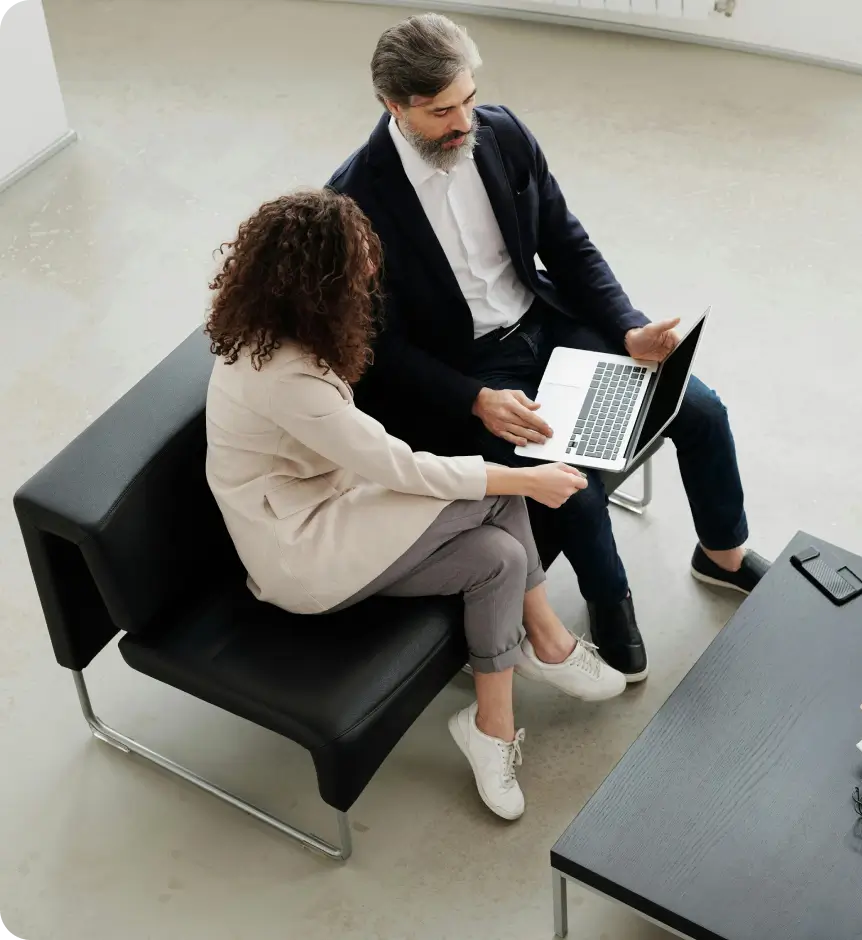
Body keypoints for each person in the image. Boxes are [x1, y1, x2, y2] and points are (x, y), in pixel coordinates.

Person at [328, 13, 770, 684]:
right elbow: (375, 348)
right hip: (467, 370)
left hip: (547, 320)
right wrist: (474, 400)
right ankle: (609, 601)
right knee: (572, 484)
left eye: (469, 99)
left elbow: (565, 241)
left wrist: (626, 327)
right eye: (442, 111)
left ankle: (722, 554)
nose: (464, 122)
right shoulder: (352, 202)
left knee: (699, 407)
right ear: (393, 105)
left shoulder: (501, 132)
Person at [203, 188, 627, 822]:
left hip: (338, 504)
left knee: (499, 558)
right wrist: (529, 481)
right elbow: (396, 466)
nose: (372, 273)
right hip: (302, 551)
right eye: (357, 266)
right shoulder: (285, 377)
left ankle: (490, 727)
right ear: (317, 284)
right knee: (499, 492)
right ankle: (548, 641)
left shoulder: (282, 332)